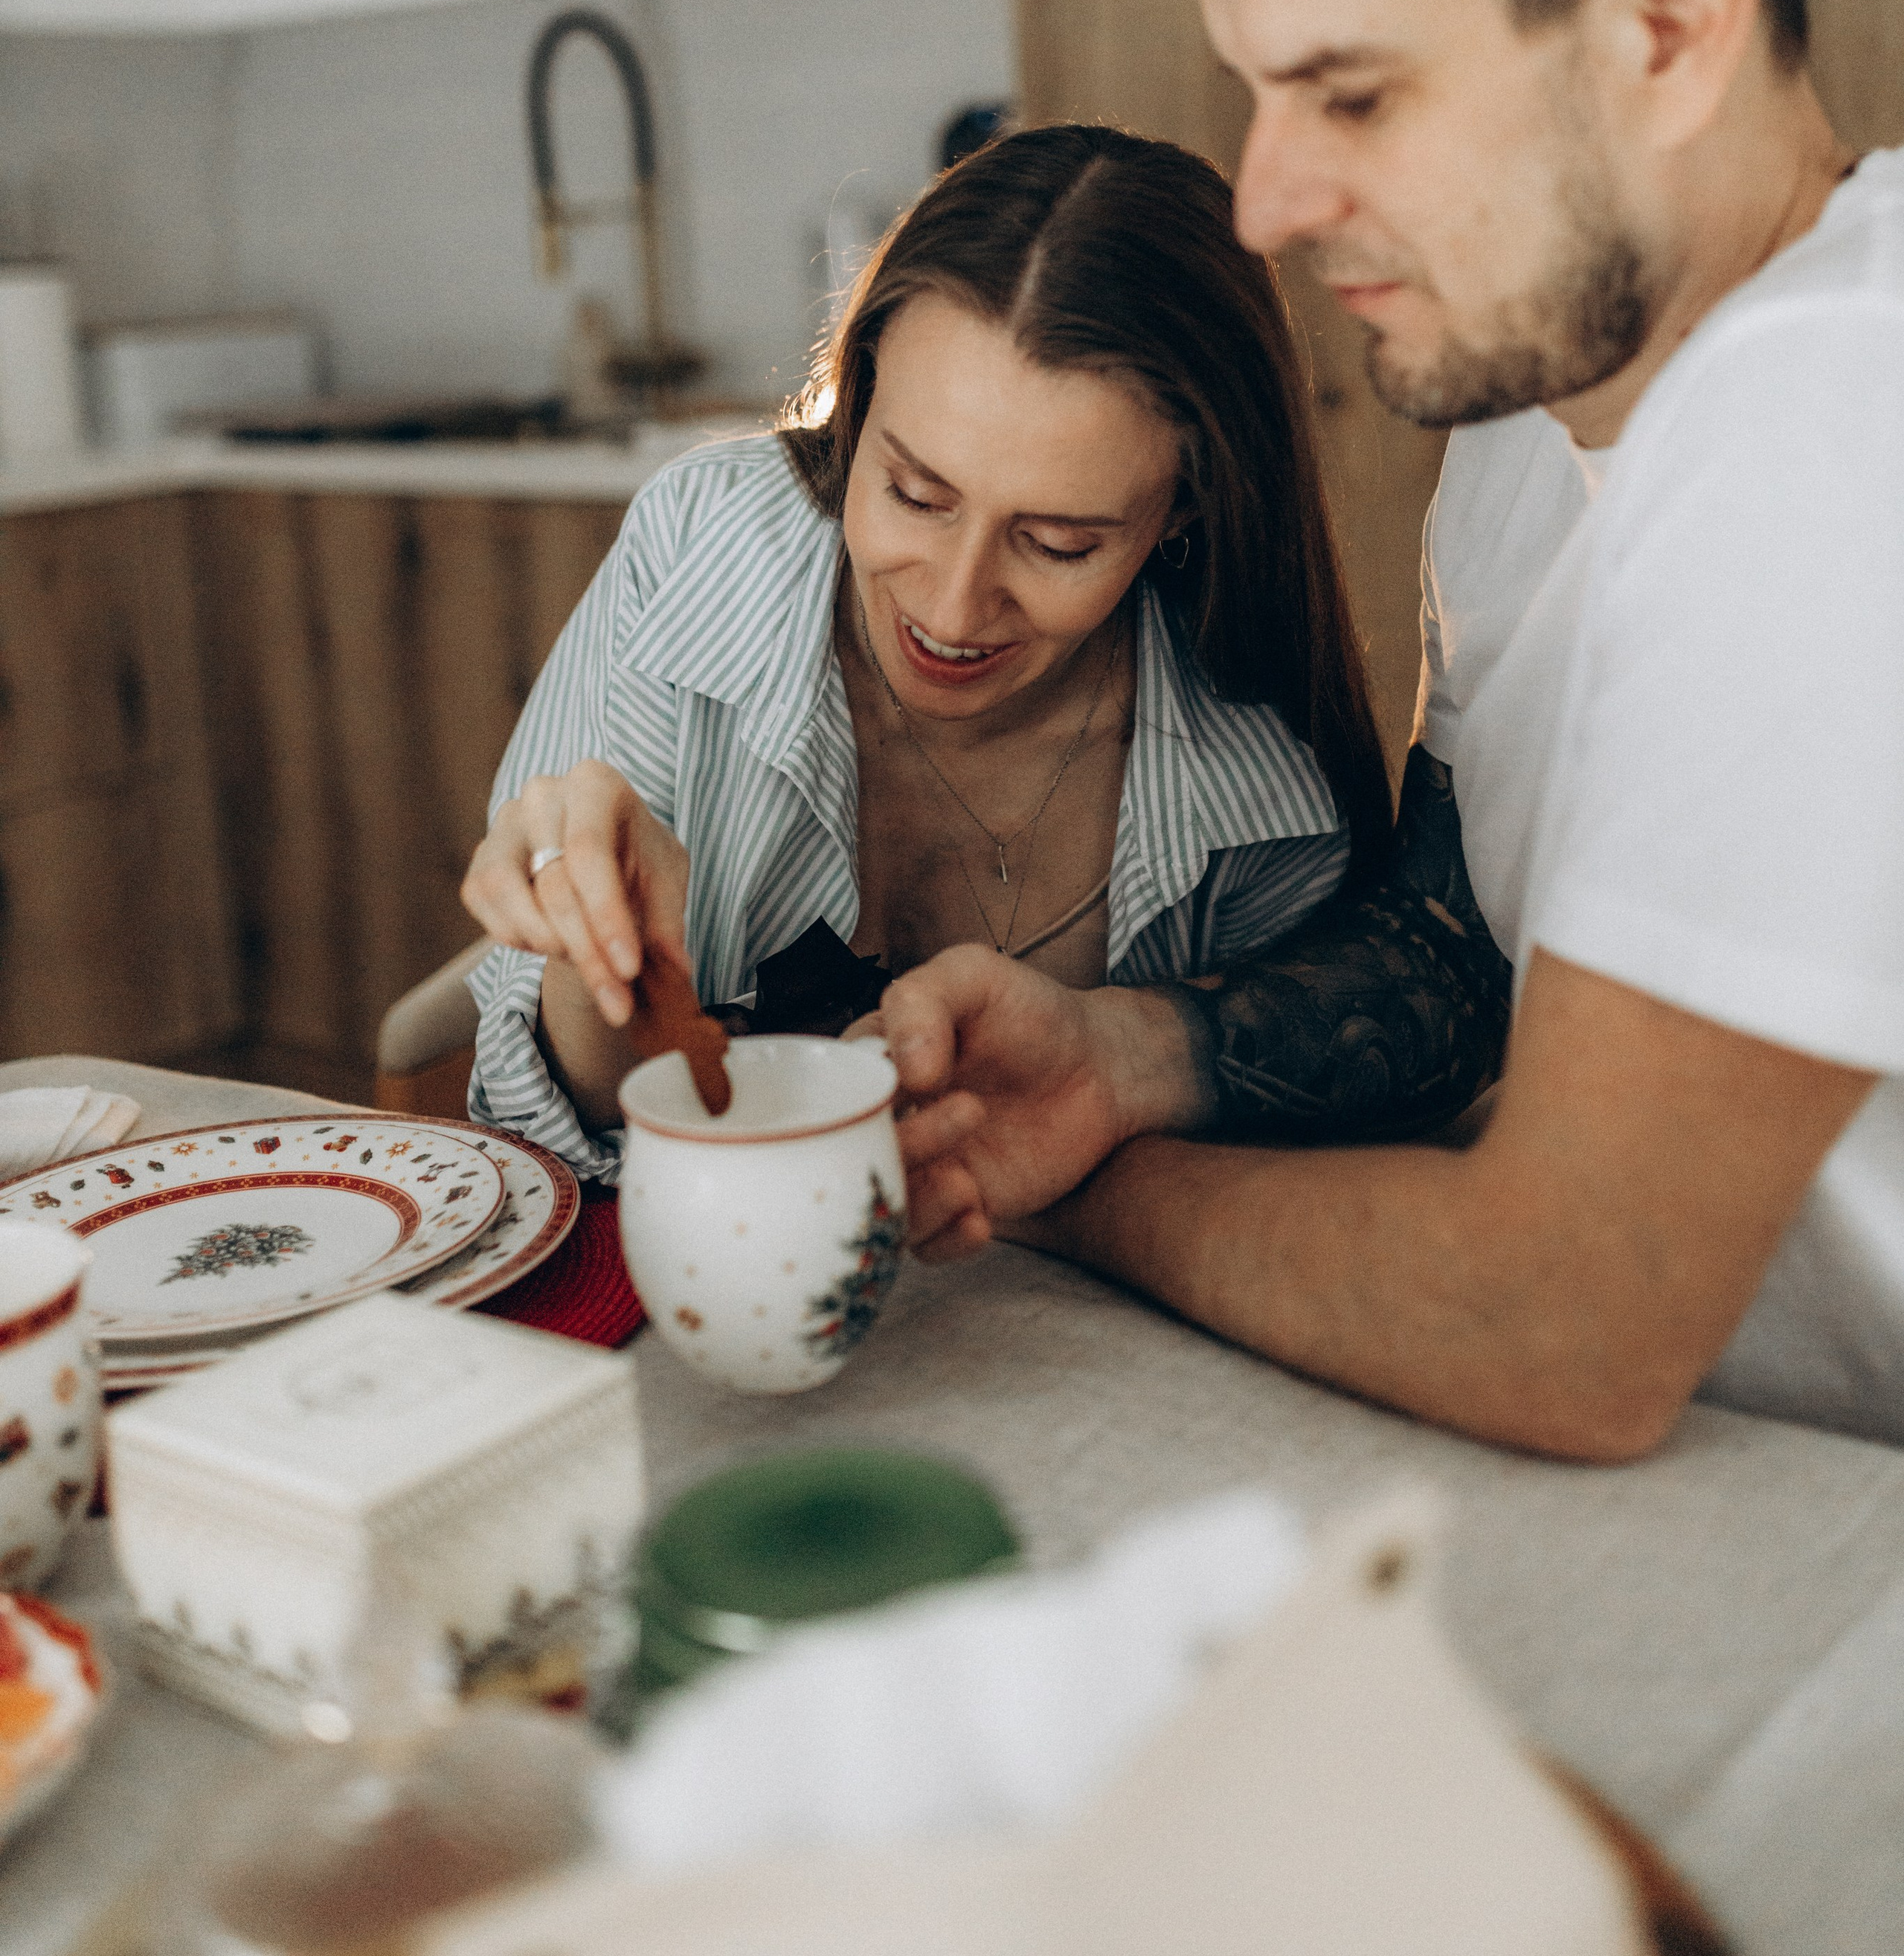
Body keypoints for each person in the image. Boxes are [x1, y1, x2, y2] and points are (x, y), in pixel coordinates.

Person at [886, 0, 1904, 1460]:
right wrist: (1120, 1060)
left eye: (1352, 98)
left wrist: (1074, 1191)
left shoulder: (1837, 420)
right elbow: (1460, 947)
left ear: (1668, 25)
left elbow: (1561, 1328)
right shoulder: (1534, 415)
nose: (1264, 203)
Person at [459, 124, 1406, 1182]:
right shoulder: (698, 549)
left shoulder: (1261, 786)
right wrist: (605, 968)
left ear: (1182, 511)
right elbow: (547, 1122)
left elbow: (1279, 1161)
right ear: (858, 402)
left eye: (1059, 544)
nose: (954, 607)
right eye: (914, 493)